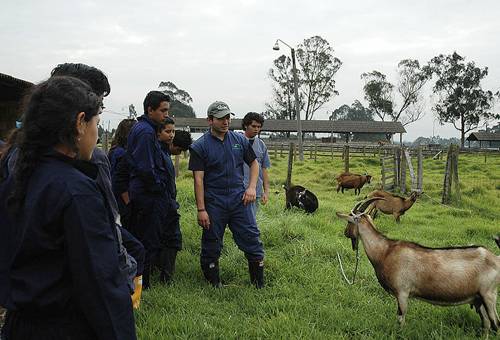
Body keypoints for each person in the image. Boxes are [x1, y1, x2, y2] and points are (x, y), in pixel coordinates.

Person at [0, 76, 136, 339]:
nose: (97, 134)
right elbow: (100, 284)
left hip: (18, 325)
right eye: (96, 123)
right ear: (80, 123)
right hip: (65, 327)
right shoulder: (76, 190)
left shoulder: (17, 177)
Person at [50, 63, 144, 308]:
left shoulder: (17, 155)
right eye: (99, 107)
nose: (99, 117)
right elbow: (110, 226)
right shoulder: (93, 159)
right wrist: (123, 274)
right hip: (84, 295)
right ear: (82, 115)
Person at [188, 101, 265, 288]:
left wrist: (252, 187)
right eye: (221, 118)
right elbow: (198, 180)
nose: (226, 122)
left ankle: (258, 284)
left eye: (228, 118)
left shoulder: (240, 141)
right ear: (210, 120)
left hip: (240, 199)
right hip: (215, 201)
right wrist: (201, 209)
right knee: (212, 241)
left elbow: (254, 164)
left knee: (251, 237)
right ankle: (214, 284)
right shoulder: (200, 147)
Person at [127, 90, 171, 288]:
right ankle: (143, 284)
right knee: (148, 239)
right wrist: (159, 187)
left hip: (144, 192)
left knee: (143, 238)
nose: (166, 115)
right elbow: (145, 167)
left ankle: (141, 281)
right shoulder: (145, 132)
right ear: (150, 109)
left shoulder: (145, 128)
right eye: (163, 110)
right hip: (148, 195)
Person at [108, 118, 137, 229]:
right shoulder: (123, 154)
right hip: (122, 202)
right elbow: (119, 181)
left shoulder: (114, 151)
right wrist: (128, 202)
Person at [241, 112, 271, 213]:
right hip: (237, 189)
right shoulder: (236, 142)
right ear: (246, 125)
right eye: (253, 126)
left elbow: (264, 169)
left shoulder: (261, 145)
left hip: (255, 191)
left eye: (259, 127)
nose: (256, 129)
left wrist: (266, 191)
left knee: (251, 221)